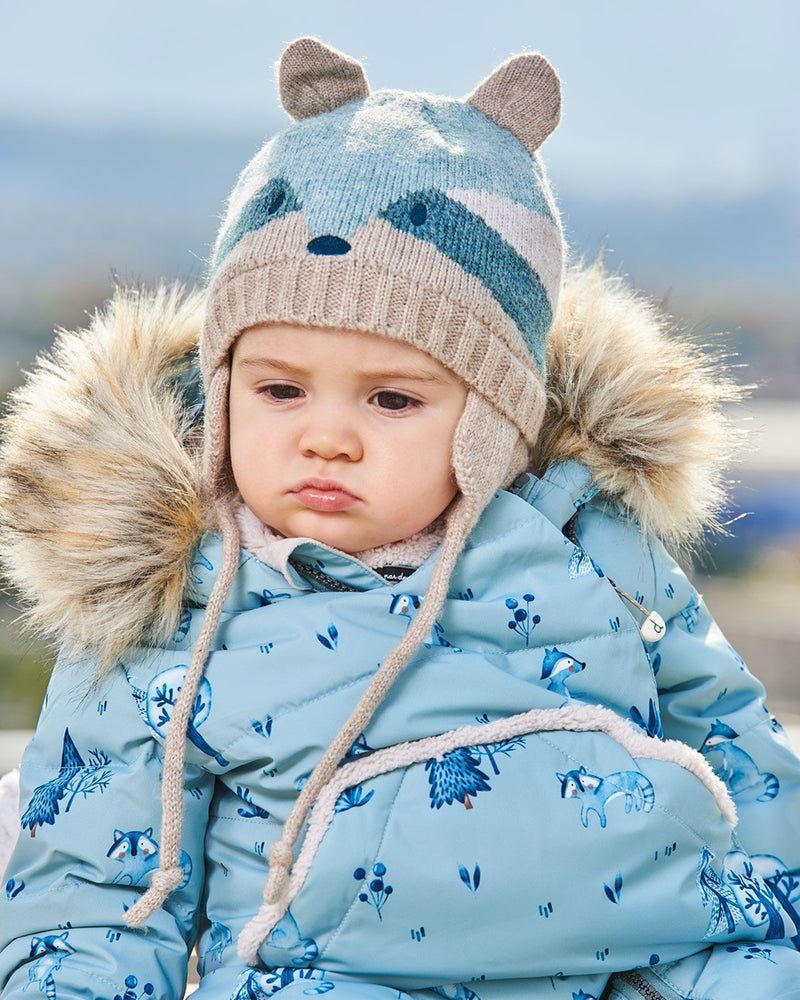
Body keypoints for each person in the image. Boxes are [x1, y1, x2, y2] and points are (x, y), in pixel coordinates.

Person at [0, 35, 798, 1000]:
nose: (326, 439)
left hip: (640, 958)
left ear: (498, 421)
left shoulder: (593, 550)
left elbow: (738, 751)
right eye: (282, 390)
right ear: (223, 394)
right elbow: (91, 890)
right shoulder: (173, 606)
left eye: (391, 401)